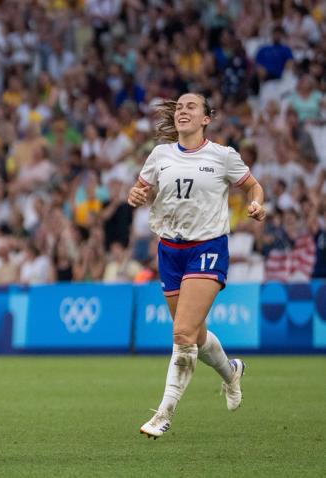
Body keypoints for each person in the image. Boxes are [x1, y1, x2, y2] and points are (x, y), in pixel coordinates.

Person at [127, 92, 266, 439]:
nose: (183, 111)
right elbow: (142, 190)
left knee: (181, 334)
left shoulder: (222, 156)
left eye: (191, 106)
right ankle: (231, 371)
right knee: (197, 336)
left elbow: (253, 186)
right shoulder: (160, 155)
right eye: (179, 107)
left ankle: (164, 412)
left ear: (206, 118)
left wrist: (257, 204)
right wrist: (137, 195)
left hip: (208, 247)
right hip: (170, 251)